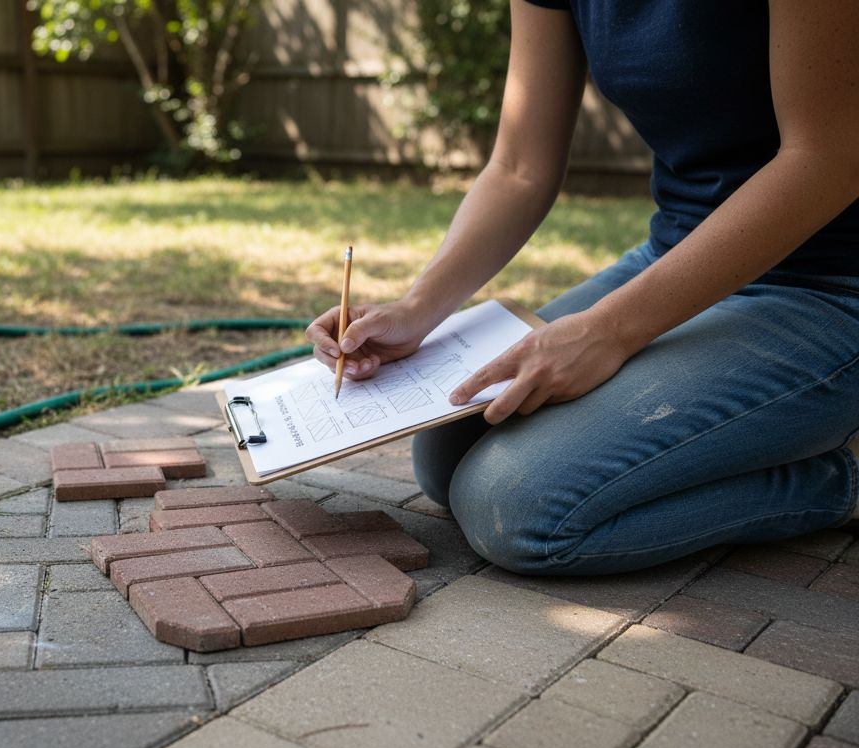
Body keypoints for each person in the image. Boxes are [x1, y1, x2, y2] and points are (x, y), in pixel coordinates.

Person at [306, 0, 859, 575]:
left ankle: (843, 477)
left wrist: (608, 330)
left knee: (521, 508)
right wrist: (418, 309)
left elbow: (826, 159)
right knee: (446, 453)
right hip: (674, 257)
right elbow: (520, 166)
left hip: (829, 284)